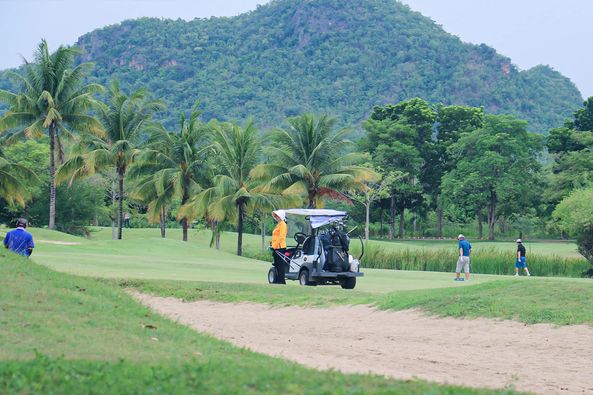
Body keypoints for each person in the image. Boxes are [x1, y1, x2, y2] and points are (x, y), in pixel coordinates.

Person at [270, 210, 287, 284]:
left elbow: (281, 237)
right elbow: (276, 236)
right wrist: (272, 243)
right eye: (275, 216)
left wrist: (274, 245)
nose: (276, 217)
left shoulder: (283, 225)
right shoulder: (278, 225)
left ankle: (281, 281)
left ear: (280, 217)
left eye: (277, 216)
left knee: (280, 265)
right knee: (277, 264)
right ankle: (277, 280)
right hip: (276, 247)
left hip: (280, 247)